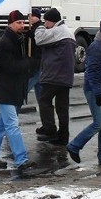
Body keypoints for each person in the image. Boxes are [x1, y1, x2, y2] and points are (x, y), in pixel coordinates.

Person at [0, 10, 35, 171]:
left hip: (15, 90)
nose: (22, 25)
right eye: (18, 23)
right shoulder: (6, 43)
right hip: (6, 91)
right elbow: (8, 66)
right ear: (10, 24)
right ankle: (21, 159)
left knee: (2, 126)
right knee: (12, 125)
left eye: (23, 22)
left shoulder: (19, 40)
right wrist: (27, 63)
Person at [67, 15, 101, 167]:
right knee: (99, 123)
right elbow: (91, 72)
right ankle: (74, 146)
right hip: (94, 90)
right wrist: (98, 91)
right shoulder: (96, 47)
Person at [34, 7, 76, 145]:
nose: (46, 25)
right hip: (66, 77)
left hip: (54, 75)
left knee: (44, 100)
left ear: (52, 21)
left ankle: (50, 129)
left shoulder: (58, 31)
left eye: (46, 22)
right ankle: (63, 137)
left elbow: (39, 39)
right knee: (62, 108)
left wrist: (39, 26)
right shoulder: (69, 31)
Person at [24, 8, 43, 109]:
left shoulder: (40, 28)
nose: (30, 18)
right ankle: (46, 117)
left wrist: (32, 37)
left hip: (36, 63)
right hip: (36, 63)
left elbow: (40, 45)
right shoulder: (34, 28)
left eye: (32, 16)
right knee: (40, 92)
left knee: (24, 89)